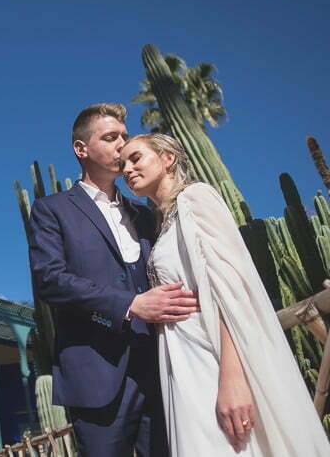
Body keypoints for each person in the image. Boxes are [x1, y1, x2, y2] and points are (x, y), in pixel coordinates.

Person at [119, 132, 330, 456]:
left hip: (214, 360)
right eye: (122, 165)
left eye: (135, 158)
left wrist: (232, 378)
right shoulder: (163, 226)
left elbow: (230, 291)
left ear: (168, 158)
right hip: (185, 365)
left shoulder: (195, 199)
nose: (127, 170)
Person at [28, 104, 199, 456]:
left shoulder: (143, 211)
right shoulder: (52, 209)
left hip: (160, 369)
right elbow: (50, 279)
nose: (122, 145)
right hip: (96, 374)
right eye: (110, 137)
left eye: (124, 136)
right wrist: (130, 304)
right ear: (81, 149)